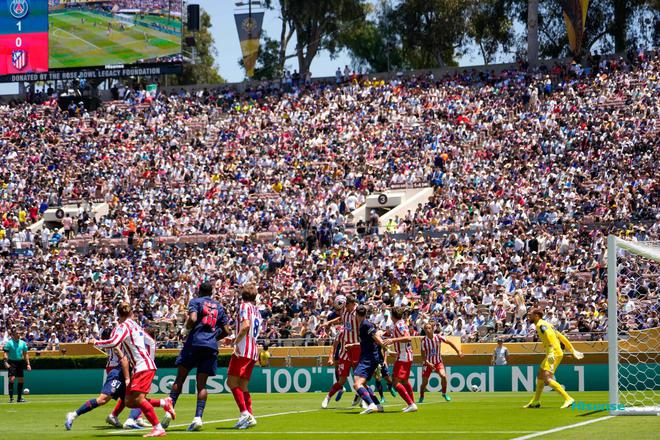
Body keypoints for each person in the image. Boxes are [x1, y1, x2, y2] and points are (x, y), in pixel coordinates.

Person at [94, 303, 174, 438]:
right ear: (131, 313)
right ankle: (164, 403)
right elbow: (149, 341)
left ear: (118, 314)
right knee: (129, 401)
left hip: (142, 366)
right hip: (142, 365)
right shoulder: (135, 325)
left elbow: (113, 342)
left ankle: (158, 428)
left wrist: (95, 342)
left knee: (138, 400)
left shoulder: (123, 326)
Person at [163, 282, 231, 431]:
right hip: (210, 347)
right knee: (202, 385)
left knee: (180, 379)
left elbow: (193, 319)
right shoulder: (219, 307)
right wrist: (213, 338)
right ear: (211, 292)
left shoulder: (195, 301)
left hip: (194, 343)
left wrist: (186, 328)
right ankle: (198, 418)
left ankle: (168, 413)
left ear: (199, 291)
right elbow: (227, 330)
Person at [65, 328, 132, 430]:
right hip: (117, 372)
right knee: (102, 400)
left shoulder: (115, 342)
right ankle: (73, 414)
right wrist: (127, 377)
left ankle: (127, 418)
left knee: (130, 399)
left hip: (118, 370)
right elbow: (122, 358)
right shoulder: (116, 344)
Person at [524, 309, 584, 409]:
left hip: (553, 353)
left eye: (531, 315)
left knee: (547, 379)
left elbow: (548, 335)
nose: (529, 317)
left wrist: (551, 351)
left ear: (537, 316)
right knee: (540, 376)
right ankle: (535, 401)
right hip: (553, 352)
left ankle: (568, 398)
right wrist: (572, 349)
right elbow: (561, 337)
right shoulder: (548, 324)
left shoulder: (540, 325)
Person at [227, 284, 262, 430]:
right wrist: (234, 338)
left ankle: (244, 414)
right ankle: (250, 416)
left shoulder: (244, 306)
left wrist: (235, 342)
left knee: (231, 382)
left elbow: (246, 325)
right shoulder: (257, 312)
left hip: (243, 350)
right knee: (243, 385)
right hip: (253, 350)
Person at [321, 295, 361, 409]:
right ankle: (328, 398)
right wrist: (329, 323)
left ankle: (363, 398)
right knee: (341, 380)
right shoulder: (345, 313)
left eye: (345, 305)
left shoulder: (357, 313)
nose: (343, 308)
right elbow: (340, 319)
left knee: (358, 378)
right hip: (345, 350)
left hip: (356, 348)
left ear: (350, 304)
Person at [344, 305, 386, 414]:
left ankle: (371, 405)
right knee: (363, 384)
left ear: (356, 315)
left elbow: (375, 336)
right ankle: (378, 405)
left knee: (357, 384)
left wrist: (385, 346)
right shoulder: (365, 324)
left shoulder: (365, 325)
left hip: (368, 358)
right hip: (369, 357)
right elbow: (367, 341)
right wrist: (353, 345)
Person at [419, 321, 463, 403]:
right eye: (426, 329)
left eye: (429, 328)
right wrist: (428, 363)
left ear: (432, 329)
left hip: (438, 362)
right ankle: (421, 396)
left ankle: (444, 393)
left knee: (443, 376)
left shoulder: (438, 337)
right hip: (427, 363)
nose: (427, 330)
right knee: (424, 383)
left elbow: (449, 342)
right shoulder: (424, 341)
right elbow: (423, 356)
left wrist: (458, 351)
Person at [384, 307, 417, 412]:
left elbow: (408, 338)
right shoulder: (400, 324)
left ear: (392, 316)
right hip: (404, 355)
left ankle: (411, 404)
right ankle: (412, 403)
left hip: (403, 356)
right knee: (405, 381)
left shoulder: (400, 325)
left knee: (395, 382)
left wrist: (393, 340)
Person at [3, 327, 31, 403]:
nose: (18, 334)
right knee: (12, 379)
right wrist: (5, 362)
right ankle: (11, 398)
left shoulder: (23, 343)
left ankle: (19, 398)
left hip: (20, 362)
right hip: (11, 362)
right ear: (13, 334)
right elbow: (5, 353)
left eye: (19, 333)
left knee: (21, 379)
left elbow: (25, 354)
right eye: (17, 333)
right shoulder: (9, 343)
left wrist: (28, 364)